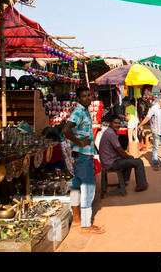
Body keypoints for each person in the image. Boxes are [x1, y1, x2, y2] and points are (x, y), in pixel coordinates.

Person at [62, 86, 105, 234]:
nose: (88, 98)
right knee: (87, 188)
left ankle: (76, 219)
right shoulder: (79, 111)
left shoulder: (85, 110)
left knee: (76, 185)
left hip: (81, 154)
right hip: (82, 154)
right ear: (78, 99)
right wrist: (79, 142)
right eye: (84, 96)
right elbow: (66, 130)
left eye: (89, 95)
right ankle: (86, 225)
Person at [99, 115, 149, 192]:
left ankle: (123, 181)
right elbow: (119, 150)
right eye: (115, 123)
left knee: (130, 158)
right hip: (110, 162)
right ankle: (141, 185)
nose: (117, 125)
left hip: (109, 160)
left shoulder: (111, 132)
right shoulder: (111, 134)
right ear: (110, 123)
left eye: (119, 123)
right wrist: (127, 156)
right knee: (139, 162)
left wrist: (127, 156)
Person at [137, 94, 161, 171]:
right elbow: (147, 117)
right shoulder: (154, 108)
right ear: (160, 100)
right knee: (155, 147)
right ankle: (155, 163)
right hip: (156, 131)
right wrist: (140, 125)